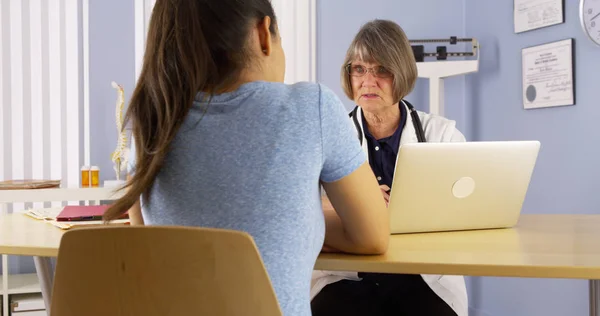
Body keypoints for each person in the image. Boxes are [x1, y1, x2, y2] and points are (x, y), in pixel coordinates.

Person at [103, 1, 390, 315]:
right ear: (264, 34)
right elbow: (373, 236)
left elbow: (148, 236)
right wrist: (302, 214)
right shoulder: (312, 106)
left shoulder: (151, 125)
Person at [311, 19, 468, 316]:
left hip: (422, 279)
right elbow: (298, 203)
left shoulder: (443, 136)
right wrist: (352, 204)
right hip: (345, 278)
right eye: (359, 69)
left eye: (381, 69)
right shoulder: (326, 135)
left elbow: (463, 213)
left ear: (402, 73)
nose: (368, 81)